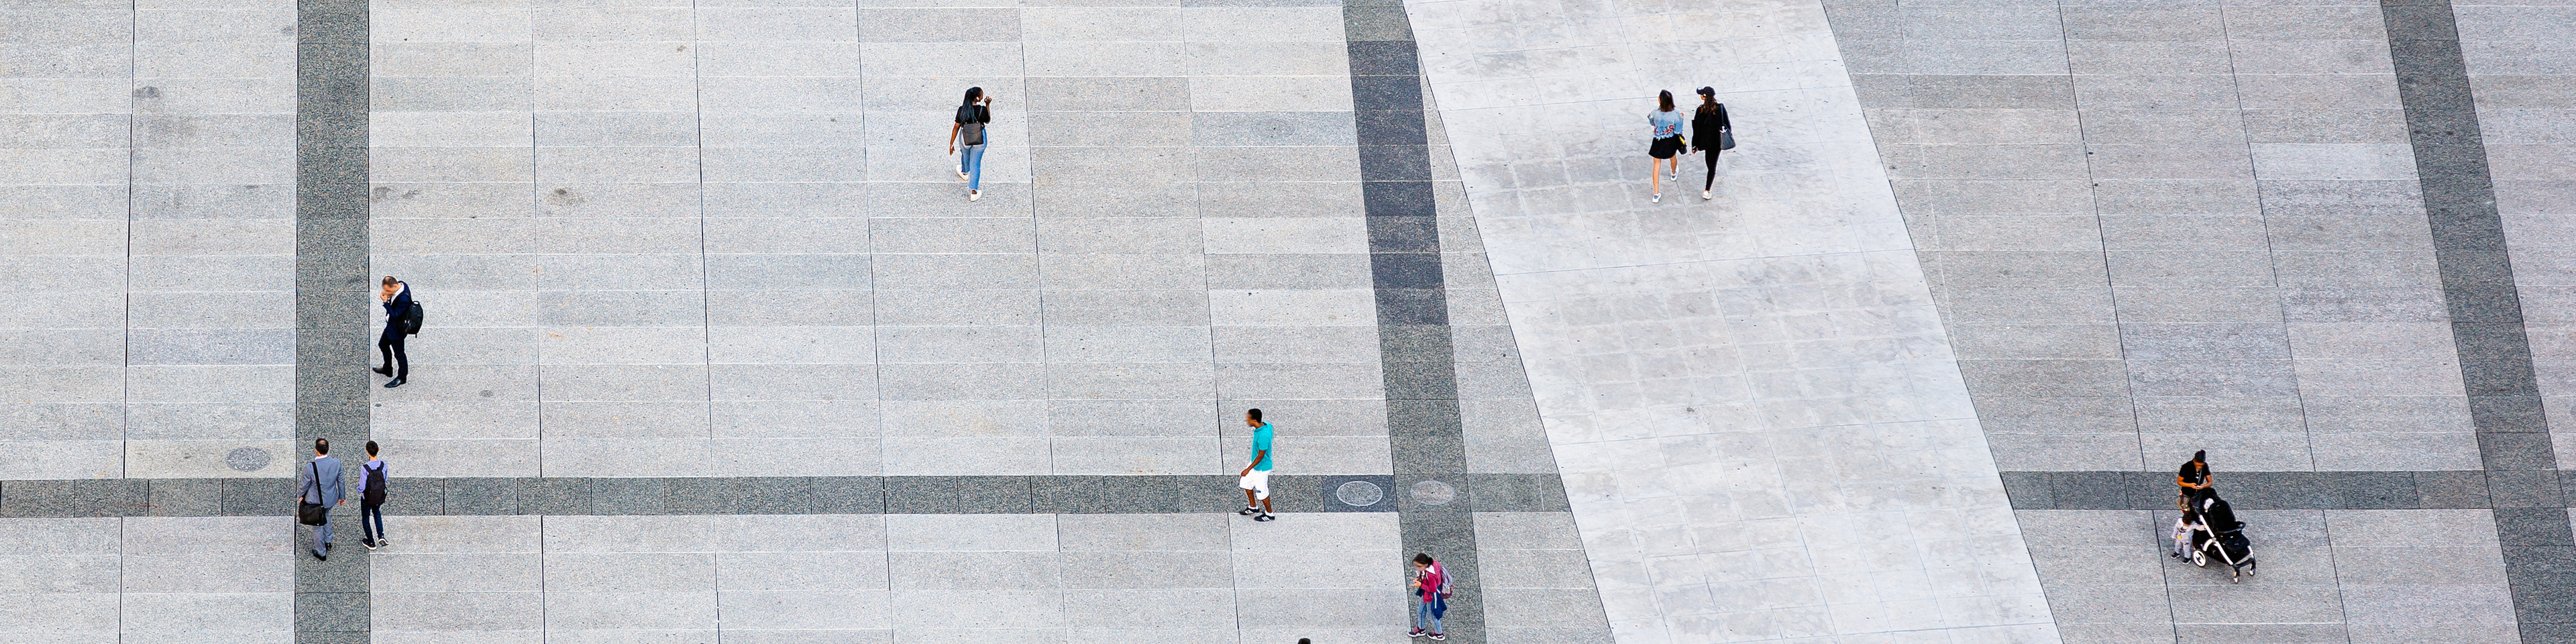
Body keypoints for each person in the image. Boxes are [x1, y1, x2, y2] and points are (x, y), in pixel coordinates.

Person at [298, 438, 345, 560]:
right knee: (326, 514)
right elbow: (341, 481)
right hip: (330, 499)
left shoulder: (310, 467)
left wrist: (300, 496)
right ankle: (328, 540)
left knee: (317, 526)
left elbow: (305, 485)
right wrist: (342, 497)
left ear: (316, 451)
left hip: (315, 501)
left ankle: (321, 552)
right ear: (329, 449)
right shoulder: (336, 463)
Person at [948, 87, 994, 202]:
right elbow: (987, 120)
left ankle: (964, 171)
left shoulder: (962, 110)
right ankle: (974, 192)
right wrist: (988, 105)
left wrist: (951, 143)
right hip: (979, 139)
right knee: (976, 164)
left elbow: (956, 127)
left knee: (965, 153)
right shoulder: (982, 109)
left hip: (965, 137)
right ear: (978, 98)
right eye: (982, 95)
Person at [1690, 87, 1731, 201]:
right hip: (1717, 142)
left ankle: (1708, 189)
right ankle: (1707, 190)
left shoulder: (1700, 110)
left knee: (1710, 164)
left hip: (1705, 143)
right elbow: (1728, 125)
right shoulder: (1721, 108)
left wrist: (1695, 145)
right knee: (1712, 166)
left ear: (1703, 97)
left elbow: (1696, 130)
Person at [1646, 90, 1686, 203]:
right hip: (1670, 141)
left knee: (1656, 166)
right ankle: (1673, 173)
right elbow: (1678, 131)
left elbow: (1652, 122)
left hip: (1658, 141)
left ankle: (1656, 194)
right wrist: (1681, 119)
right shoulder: (1676, 115)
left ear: (1660, 100)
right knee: (1672, 158)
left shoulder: (1655, 113)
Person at [2169, 451, 2212, 557]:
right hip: (2187, 495)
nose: (2199, 467)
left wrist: (2204, 486)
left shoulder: (2205, 467)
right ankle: (2189, 539)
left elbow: (2210, 482)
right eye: (2198, 465)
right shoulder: (2186, 467)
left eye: (2201, 466)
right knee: (2189, 517)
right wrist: (2190, 485)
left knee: (2199, 517)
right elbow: (2179, 481)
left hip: (2198, 496)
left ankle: (2197, 539)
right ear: (2194, 460)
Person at [1236, 408, 1276, 522]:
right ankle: (1253, 507)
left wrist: (1248, 469)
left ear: (1254, 420)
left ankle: (1270, 514)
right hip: (1255, 465)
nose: (1246, 421)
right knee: (1246, 484)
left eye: (1248, 419)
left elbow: (1261, 456)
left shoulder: (1263, 436)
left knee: (1262, 492)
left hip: (1261, 468)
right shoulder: (1267, 425)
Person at [375, 276, 413, 388]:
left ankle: (402, 378)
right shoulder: (401, 284)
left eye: (388, 291)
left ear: (395, 286)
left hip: (397, 330)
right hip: (391, 327)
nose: (386, 293)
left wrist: (386, 303)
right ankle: (387, 369)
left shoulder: (404, 299)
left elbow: (395, 315)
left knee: (399, 354)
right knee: (383, 345)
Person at [355, 440, 389, 550]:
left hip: (367, 498)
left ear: (367, 452)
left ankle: (371, 542)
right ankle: (381, 535)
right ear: (378, 449)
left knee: (366, 517)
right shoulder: (384, 465)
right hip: (379, 496)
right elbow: (385, 479)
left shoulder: (365, 468)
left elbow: (362, 486)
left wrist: (358, 490)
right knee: (377, 512)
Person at [1409, 553, 1449, 640]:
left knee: (1432, 616)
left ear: (1426, 565)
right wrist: (1420, 578)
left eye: (1419, 566)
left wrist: (1420, 585)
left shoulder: (1430, 575)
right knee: (1421, 612)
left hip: (1431, 596)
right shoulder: (1433, 564)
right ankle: (1421, 629)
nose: (1417, 568)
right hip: (1427, 595)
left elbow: (1432, 589)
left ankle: (1439, 634)